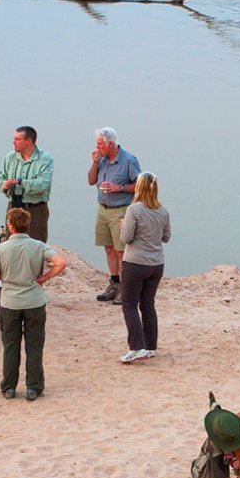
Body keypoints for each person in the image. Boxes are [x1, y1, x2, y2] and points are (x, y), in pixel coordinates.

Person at [0, 206, 66, 401]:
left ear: (10, 226)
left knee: (11, 345)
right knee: (34, 344)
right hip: (34, 300)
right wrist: (45, 277)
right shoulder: (38, 246)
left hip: (10, 302)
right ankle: (34, 386)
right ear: (27, 225)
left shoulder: (2, 248)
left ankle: (9, 387)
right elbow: (61, 263)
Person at [117, 172, 171, 363]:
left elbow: (126, 238)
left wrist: (123, 225)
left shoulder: (135, 210)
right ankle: (150, 346)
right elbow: (166, 237)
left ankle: (136, 347)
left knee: (129, 304)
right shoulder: (163, 211)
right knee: (148, 304)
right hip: (156, 264)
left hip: (135, 262)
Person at [87, 127, 142, 303]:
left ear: (111, 144)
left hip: (121, 209)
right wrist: (95, 163)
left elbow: (140, 185)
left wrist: (120, 188)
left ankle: (125, 289)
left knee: (121, 251)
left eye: (100, 144)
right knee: (109, 248)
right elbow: (90, 181)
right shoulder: (101, 160)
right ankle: (114, 283)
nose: (97, 147)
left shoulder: (128, 161)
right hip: (103, 208)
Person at [0, 125, 54, 242]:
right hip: (14, 207)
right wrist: (4, 185)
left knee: (36, 246)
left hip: (35, 209)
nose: (13, 142)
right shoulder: (10, 158)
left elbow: (43, 184)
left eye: (17, 139)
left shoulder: (44, 159)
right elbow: (0, 179)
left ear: (28, 141)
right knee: (11, 244)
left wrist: (20, 182)